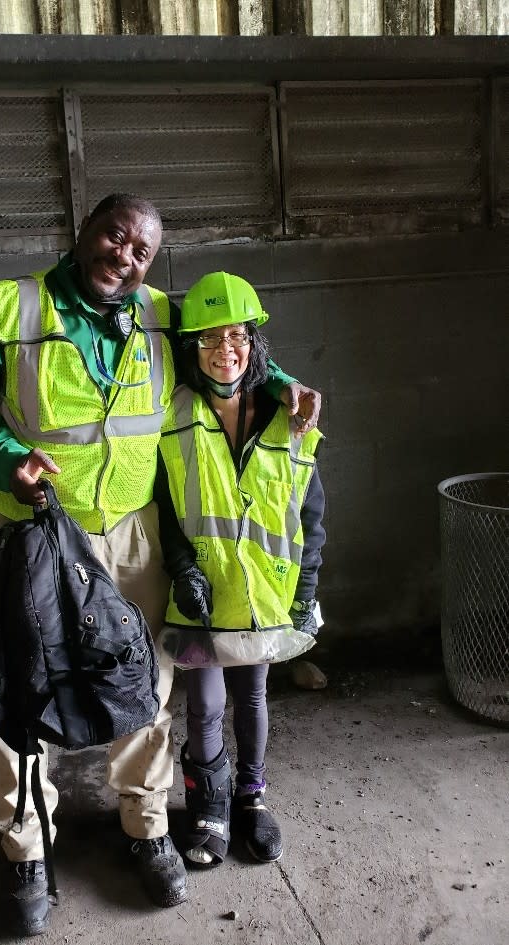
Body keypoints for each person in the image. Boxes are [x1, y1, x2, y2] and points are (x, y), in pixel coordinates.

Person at [0, 195, 321, 935]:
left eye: (142, 250)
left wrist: (283, 387)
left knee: (148, 688)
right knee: (23, 695)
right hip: (33, 532)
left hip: (134, 536)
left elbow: (228, 356)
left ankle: (146, 829)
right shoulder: (7, 310)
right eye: (116, 236)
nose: (126, 256)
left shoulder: (158, 313)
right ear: (84, 230)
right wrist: (8, 459)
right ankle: (27, 853)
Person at [155, 271, 326, 869]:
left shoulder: (288, 414)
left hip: (261, 595)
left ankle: (251, 801)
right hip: (202, 598)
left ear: (254, 342)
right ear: (190, 347)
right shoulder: (173, 414)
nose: (225, 351)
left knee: (252, 697)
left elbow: (310, 508)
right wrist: (182, 572)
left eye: (237, 337)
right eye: (208, 339)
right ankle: (208, 805)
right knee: (203, 706)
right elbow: (166, 508)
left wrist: (305, 587)